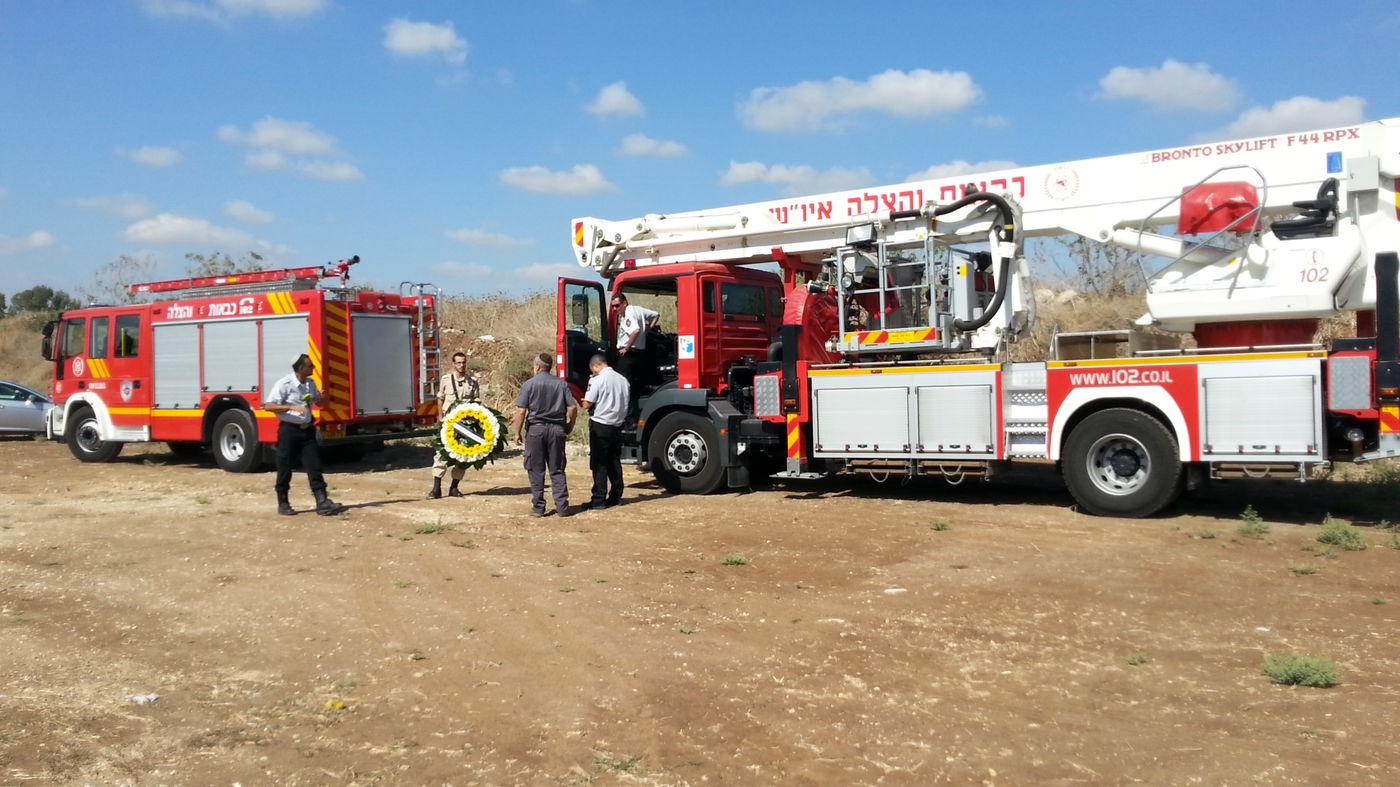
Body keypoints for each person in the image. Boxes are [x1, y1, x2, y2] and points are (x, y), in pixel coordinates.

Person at [262, 353, 343, 516]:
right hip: (289, 431)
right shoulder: (284, 384)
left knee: (314, 464)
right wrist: (291, 407)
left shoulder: (310, 383)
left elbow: (317, 403)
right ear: (300, 368)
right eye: (310, 365)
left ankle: (322, 501)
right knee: (285, 466)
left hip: (307, 430)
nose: (313, 368)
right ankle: (283, 503)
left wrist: (320, 398)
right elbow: (268, 406)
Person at [510, 353, 578, 517]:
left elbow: (521, 412)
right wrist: (570, 424)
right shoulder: (561, 384)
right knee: (557, 469)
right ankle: (562, 506)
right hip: (557, 429)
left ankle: (539, 507)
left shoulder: (529, 384)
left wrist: (517, 433)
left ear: (537, 367)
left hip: (536, 430)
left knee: (536, 469)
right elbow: (573, 407)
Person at [428, 351, 482, 499]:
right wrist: (440, 417)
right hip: (449, 423)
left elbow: (477, 400)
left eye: (463, 362)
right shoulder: (446, 379)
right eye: (458, 362)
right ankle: (436, 488)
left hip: (466, 423)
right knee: (441, 454)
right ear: (453, 364)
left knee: (463, 455)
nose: (461, 365)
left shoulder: (472, 381)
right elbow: (440, 398)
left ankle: (454, 487)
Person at [580, 353, 630, 509]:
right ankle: (615, 495)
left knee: (599, 463)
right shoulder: (623, 380)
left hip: (601, 425)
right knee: (614, 460)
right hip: (617, 425)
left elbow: (587, 404)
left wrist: (582, 401)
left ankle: (599, 499)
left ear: (595, 366)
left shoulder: (597, 380)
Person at [612, 293, 658, 411]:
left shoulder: (628, 313)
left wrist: (627, 347)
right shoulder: (638, 309)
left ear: (624, 303)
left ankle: (629, 416)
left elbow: (635, 330)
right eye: (613, 306)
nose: (615, 309)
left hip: (628, 354)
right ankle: (636, 412)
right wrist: (649, 328)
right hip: (639, 353)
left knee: (624, 386)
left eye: (617, 306)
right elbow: (656, 315)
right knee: (636, 385)